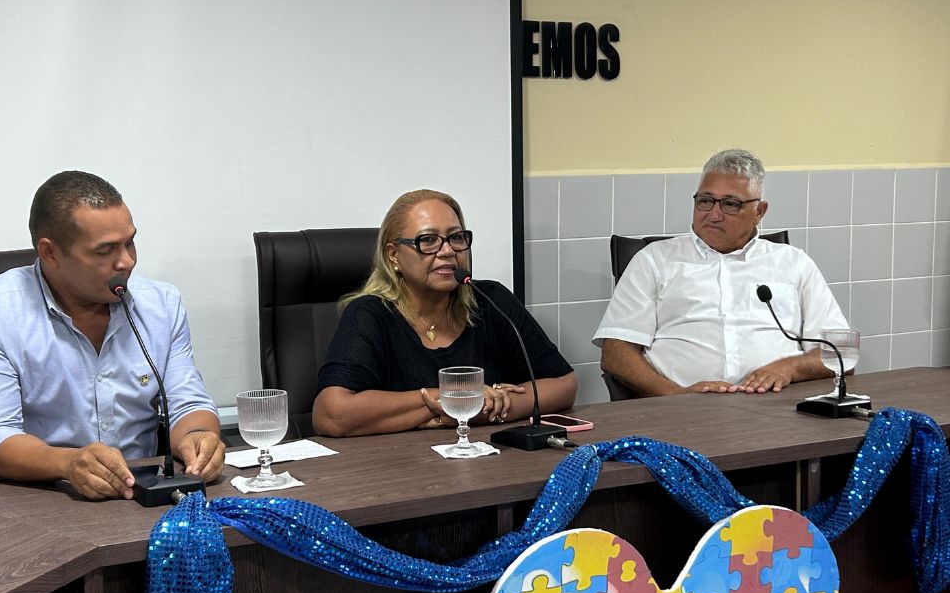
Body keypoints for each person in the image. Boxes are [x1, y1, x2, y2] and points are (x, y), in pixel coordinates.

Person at [0, 169, 224, 500]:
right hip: (44, 498)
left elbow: (187, 401)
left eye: (130, 242)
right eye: (105, 250)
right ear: (50, 253)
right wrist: (67, 463)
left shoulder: (161, 304)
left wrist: (198, 438)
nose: (126, 261)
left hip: (145, 494)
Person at [312, 188, 578, 436]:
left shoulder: (491, 300)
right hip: (401, 471)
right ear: (393, 255)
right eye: (428, 240)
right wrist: (449, 398)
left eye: (456, 237)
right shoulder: (370, 314)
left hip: (489, 460)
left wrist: (484, 409)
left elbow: (564, 385)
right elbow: (331, 414)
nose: (448, 251)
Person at [595, 148, 849, 397]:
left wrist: (789, 367)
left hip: (778, 405)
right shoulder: (654, 259)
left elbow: (842, 352)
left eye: (730, 204)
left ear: (759, 212)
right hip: (681, 408)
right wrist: (674, 395)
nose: (714, 215)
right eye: (705, 201)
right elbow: (616, 352)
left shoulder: (793, 262)